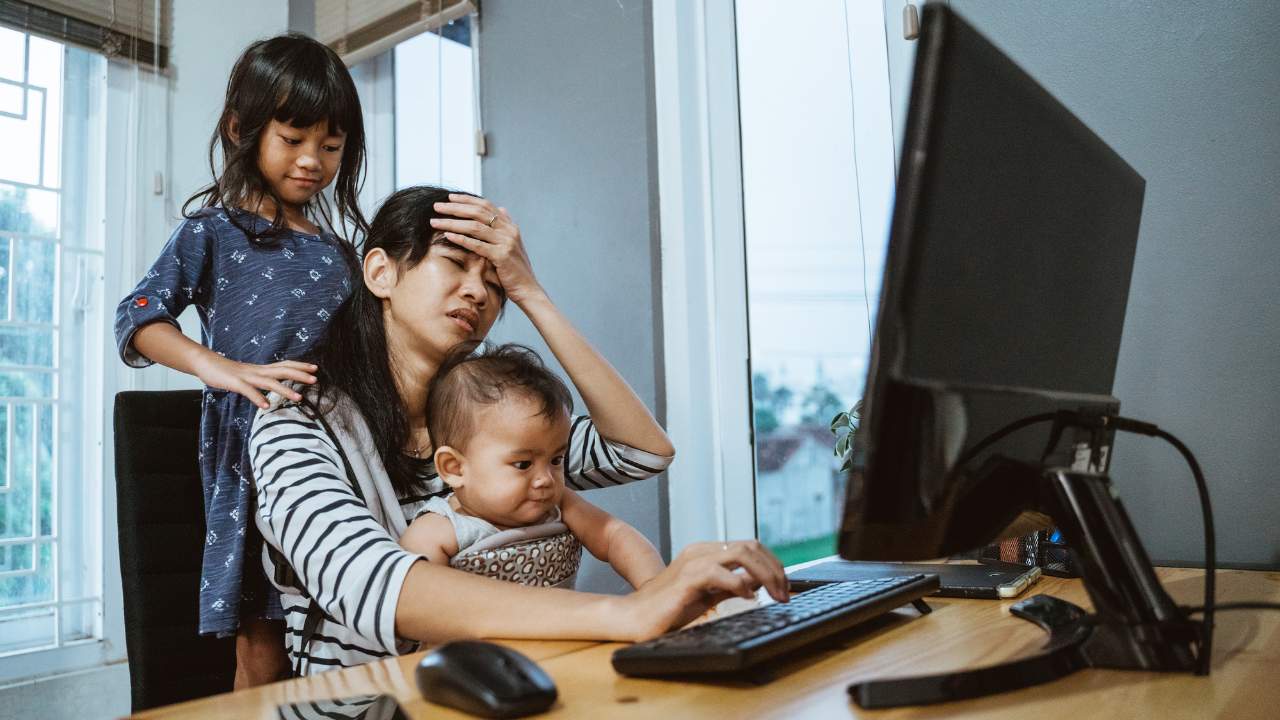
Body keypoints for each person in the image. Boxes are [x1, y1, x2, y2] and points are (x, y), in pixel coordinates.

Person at [250, 186, 788, 675]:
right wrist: (628, 613)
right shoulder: (293, 421)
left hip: (516, 684)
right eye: (455, 264)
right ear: (381, 273)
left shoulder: (491, 426)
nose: (479, 294)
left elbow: (641, 451)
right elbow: (373, 584)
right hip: (365, 705)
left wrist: (531, 292)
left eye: (494, 284)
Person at [113, 34, 367, 687]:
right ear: (242, 128)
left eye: (331, 146)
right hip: (252, 458)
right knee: (264, 640)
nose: (313, 160)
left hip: (342, 458)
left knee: (344, 628)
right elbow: (138, 316)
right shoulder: (212, 232)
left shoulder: (343, 255)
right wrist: (218, 367)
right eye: (293, 138)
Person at [399, 342, 666, 590]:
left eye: (556, 460)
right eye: (523, 464)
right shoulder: (438, 532)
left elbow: (615, 536)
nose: (546, 479)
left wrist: (656, 589)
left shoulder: (560, 505)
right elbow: (420, 608)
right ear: (455, 468)